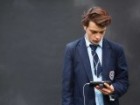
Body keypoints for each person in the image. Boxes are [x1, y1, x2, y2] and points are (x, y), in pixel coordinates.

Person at [62, 6, 129, 105]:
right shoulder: (72, 50)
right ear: (85, 27)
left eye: (102, 32)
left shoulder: (117, 50)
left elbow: (123, 80)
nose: (98, 37)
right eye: (93, 32)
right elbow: (67, 89)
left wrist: (113, 89)